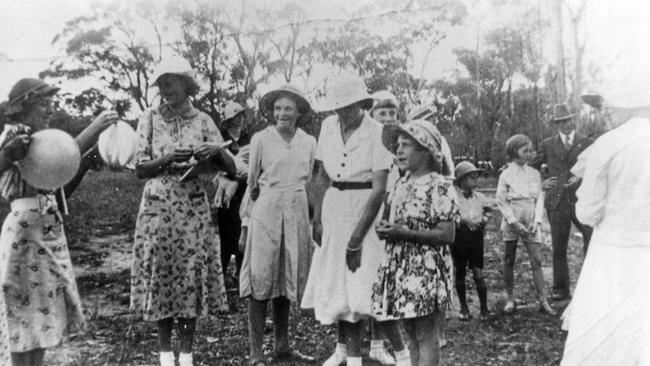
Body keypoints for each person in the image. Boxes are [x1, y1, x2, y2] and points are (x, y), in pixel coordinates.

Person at [0, 78, 118, 366]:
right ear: (24, 107)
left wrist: (88, 154)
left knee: (39, 321)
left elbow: (57, 180)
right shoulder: (18, 136)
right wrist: (94, 128)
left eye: (51, 103)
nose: (50, 110)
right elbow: (57, 158)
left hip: (43, 231)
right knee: (24, 322)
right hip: (26, 234)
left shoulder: (41, 141)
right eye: (44, 103)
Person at [130, 57, 234, 366]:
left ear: (186, 85)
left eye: (171, 83)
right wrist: (164, 158)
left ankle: (186, 352)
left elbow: (231, 167)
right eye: (161, 85)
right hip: (159, 204)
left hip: (191, 205)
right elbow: (139, 169)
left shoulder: (203, 120)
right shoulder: (149, 118)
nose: (166, 90)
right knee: (162, 272)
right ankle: (164, 352)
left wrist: (216, 151)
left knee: (190, 274)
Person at [301, 75, 409, 366]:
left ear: (363, 105)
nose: (343, 113)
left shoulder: (379, 133)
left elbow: (378, 190)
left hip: (366, 210)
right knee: (340, 289)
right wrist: (318, 218)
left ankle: (403, 355)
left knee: (370, 287)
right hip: (335, 208)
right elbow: (322, 176)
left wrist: (357, 238)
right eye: (339, 108)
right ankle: (350, 357)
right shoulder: (328, 127)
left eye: (349, 107)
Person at [560, 83, 650, 365]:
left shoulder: (609, 144)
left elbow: (586, 212)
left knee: (606, 338)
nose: (605, 114)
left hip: (613, 256)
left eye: (607, 107)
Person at [239, 85, 316, 366]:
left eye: (288, 108)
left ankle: (282, 346)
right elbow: (251, 185)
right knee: (260, 280)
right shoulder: (260, 139)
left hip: (295, 212)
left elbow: (308, 181)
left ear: (299, 112)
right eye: (278, 108)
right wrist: (245, 226)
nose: (282, 114)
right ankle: (255, 352)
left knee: (286, 281)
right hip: (266, 211)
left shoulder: (308, 141)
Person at [372, 119, 458, 366]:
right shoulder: (401, 183)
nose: (399, 150)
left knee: (425, 333)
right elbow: (392, 219)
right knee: (409, 333)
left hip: (426, 269)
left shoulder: (439, 185)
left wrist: (405, 233)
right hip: (400, 266)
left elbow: (447, 234)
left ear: (425, 151)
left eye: (406, 145)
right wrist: (384, 229)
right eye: (398, 145)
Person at [531, 103, 593, 301]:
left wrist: (581, 178)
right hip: (557, 201)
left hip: (581, 198)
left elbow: (595, 166)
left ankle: (590, 285)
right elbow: (530, 166)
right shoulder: (548, 144)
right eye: (561, 122)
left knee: (591, 238)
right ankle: (561, 289)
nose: (565, 124)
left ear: (573, 120)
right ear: (556, 124)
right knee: (559, 246)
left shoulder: (586, 142)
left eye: (567, 120)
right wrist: (542, 182)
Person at [496, 134, 555, 315]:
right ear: (514, 152)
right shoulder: (505, 175)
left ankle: (542, 299)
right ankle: (510, 299)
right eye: (525, 151)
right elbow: (500, 200)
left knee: (536, 259)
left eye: (531, 150)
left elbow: (539, 198)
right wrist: (513, 222)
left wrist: (537, 221)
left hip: (530, 215)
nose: (529, 154)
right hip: (513, 215)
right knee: (509, 258)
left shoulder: (534, 174)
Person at [452, 161, 494, 320]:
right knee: (460, 271)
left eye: (476, 178)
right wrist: (464, 221)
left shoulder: (480, 197)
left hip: (476, 237)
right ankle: (464, 308)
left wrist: (484, 219)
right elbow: (451, 215)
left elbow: (489, 210)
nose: (475, 181)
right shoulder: (454, 197)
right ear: (461, 180)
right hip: (460, 237)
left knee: (478, 272)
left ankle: (484, 308)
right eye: (472, 178)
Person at [215, 101, 249, 284]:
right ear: (227, 121)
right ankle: (221, 274)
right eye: (234, 117)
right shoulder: (220, 140)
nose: (239, 120)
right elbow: (220, 164)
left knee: (242, 229)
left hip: (244, 188)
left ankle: (240, 274)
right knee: (226, 233)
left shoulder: (248, 138)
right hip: (227, 190)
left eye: (240, 116)